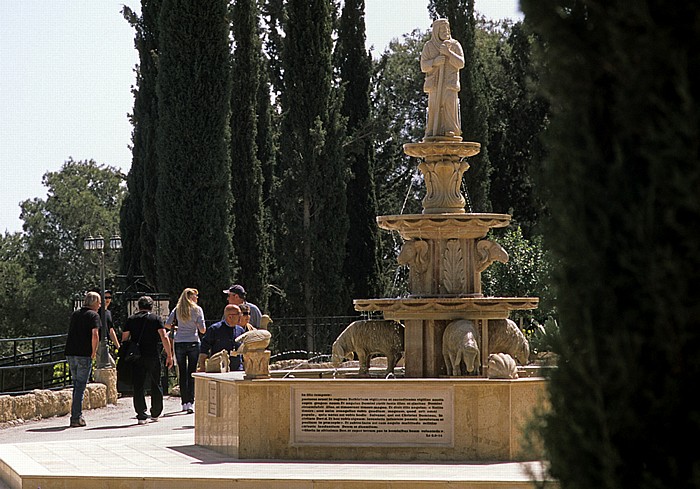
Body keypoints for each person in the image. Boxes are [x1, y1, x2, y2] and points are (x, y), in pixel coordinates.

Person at [122, 296, 173, 425]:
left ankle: (141, 414)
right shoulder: (155, 318)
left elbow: (125, 338)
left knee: (138, 385)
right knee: (156, 383)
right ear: (151, 306)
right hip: (152, 354)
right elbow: (163, 336)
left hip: (137, 356)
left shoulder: (131, 319)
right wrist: (169, 354)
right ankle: (155, 412)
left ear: (138, 306)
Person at [420, 18, 465, 140]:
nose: (446, 31)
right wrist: (434, 62)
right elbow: (423, 66)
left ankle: (451, 130)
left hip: (450, 84)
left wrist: (449, 53)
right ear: (436, 31)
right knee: (434, 106)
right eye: (442, 29)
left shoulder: (455, 45)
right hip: (435, 85)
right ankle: (432, 130)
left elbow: (461, 63)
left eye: (447, 29)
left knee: (450, 105)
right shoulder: (429, 46)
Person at [165, 288, 206, 414]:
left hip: (179, 342)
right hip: (193, 341)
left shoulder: (177, 309)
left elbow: (167, 324)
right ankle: (191, 402)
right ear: (191, 297)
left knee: (182, 373)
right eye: (195, 296)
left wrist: (177, 327)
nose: (197, 298)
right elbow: (202, 329)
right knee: (192, 372)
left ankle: (184, 402)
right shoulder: (197, 310)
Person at [64, 291, 101, 427]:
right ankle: (76, 417)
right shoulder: (94, 315)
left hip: (71, 353)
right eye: (99, 302)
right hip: (83, 354)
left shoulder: (75, 314)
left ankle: (75, 414)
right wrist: (93, 352)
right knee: (80, 386)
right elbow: (95, 334)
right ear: (95, 303)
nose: (100, 305)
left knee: (76, 384)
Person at [198, 304, 246, 372]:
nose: (241, 317)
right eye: (238, 314)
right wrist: (202, 366)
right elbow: (204, 349)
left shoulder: (240, 330)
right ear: (230, 317)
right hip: (219, 371)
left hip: (237, 370)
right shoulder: (215, 329)